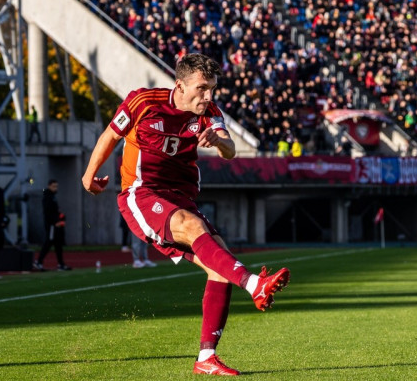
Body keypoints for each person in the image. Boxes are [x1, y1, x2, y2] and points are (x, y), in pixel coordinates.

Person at [81, 53, 290, 376]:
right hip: (142, 193)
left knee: (220, 265)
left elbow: (230, 150)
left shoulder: (209, 113)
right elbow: (111, 135)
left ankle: (207, 357)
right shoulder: (143, 102)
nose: (208, 96)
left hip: (181, 198)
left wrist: (218, 141)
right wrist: (88, 174)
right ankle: (253, 285)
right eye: (202, 88)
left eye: (212, 89)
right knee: (191, 226)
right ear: (180, 86)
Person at [35, 179, 71, 271]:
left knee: (57, 244)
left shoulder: (52, 197)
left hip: (54, 224)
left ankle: (60, 264)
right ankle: (39, 262)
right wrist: (55, 221)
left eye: (56, 186)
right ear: (49, 186)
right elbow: (48, 212)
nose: (55, 188)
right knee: (49, 242)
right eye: (54, 186)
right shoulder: (48, 197)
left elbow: (54, 211)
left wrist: (60, 217)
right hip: (52, 225)